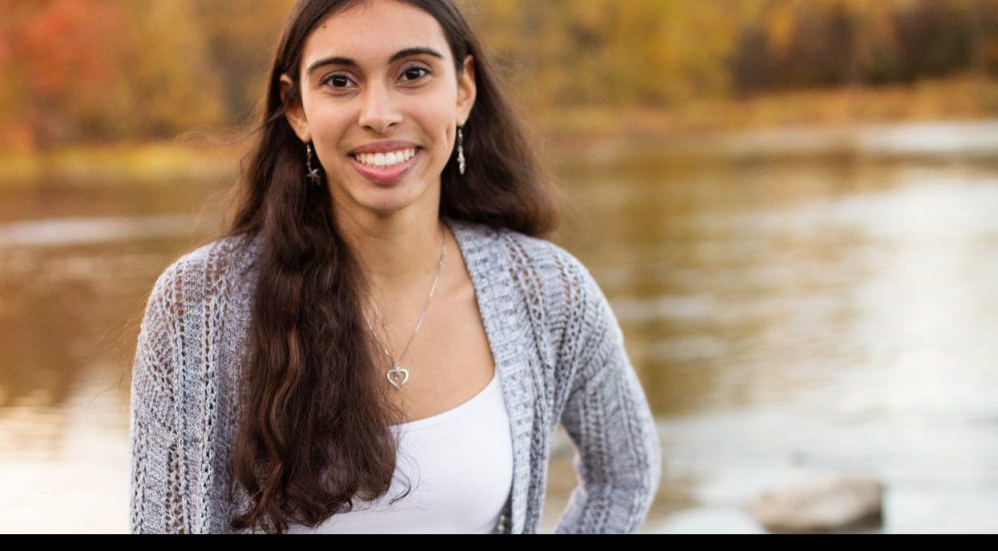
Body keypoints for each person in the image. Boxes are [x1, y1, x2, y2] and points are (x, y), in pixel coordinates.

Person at [128, 0, 660, 534]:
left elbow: (624, 475)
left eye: (413, 73)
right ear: (297, 110)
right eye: (339, 81)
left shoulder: (546, 291)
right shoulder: (200, 304)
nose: (378, 113)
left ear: (463, 89)